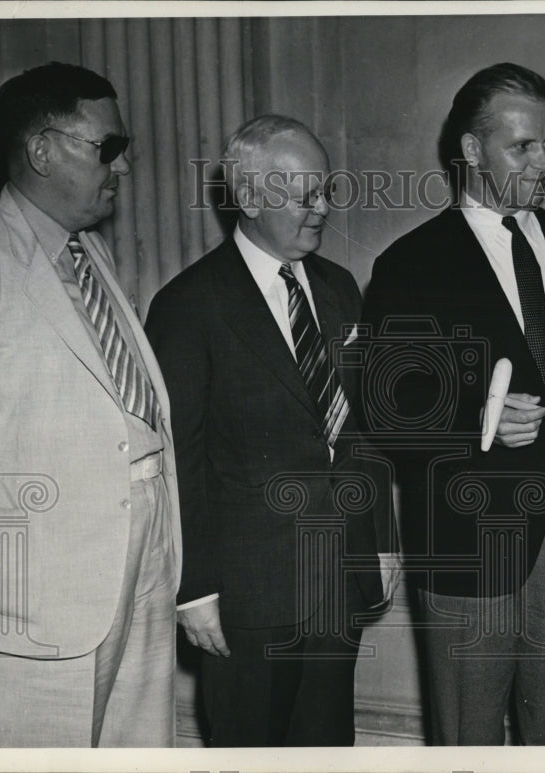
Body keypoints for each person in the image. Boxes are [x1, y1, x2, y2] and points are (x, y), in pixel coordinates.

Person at [361, 62, 545, 745]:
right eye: (524, 147)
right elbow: (386, 407)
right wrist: (480, 415)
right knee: (468, 733)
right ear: (472, 151)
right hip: (465, 537)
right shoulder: (409, 264)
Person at [0, 62, 182, 747]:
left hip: (141, 566)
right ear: (42, 150)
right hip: (34, 606)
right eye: (107, 147)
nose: (124, 165)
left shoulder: (91, 252)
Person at [145, 115, 392, 747]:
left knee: (329, 747)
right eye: (305, 193)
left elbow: (362, 429)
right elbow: (180, 458)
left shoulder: (339, 288)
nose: (322, 208)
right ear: (250, 197)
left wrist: (382, 542)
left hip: (337, 577)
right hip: (247, 597)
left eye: (326, 190)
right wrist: (193, 589)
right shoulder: (189, 305)